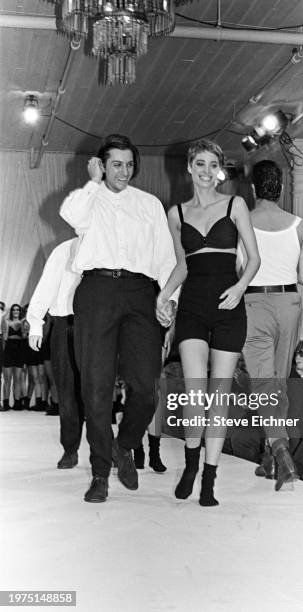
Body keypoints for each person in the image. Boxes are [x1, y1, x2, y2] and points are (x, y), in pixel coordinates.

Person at [60, 133, 177, 503]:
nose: (123, 171)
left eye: (129, 165)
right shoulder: (89, 200)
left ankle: (123, 445)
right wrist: (92, 182)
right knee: (95, 389)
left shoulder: (149, 204)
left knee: (145, 388)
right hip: (96, 292)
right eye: (115, 164)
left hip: (142, 294)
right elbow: (71, 215)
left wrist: (169, 299)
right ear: (101, 165)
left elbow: (166, 259)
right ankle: (99, 474)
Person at [156, 139, 260, 506]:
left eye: (211, 164)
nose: (204, 170)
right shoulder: (177, 214)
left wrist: (240, 287)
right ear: (189, 167)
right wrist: (163, 294)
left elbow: (253, 259)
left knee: (219, 394)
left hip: (229, 304)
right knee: (195, 392)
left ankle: (210, 479)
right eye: (199, 163)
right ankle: (190, 462)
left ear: (219, 169)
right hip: (193, 307)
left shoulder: (235, 204)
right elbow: (183, 265)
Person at [239, 159, 303, 490]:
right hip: (290, 303)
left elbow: (236, 267)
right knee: (278, 382)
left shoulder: (240, 221)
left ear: (253, 188)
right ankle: (271, 457)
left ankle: (281, 450)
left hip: (254, 303)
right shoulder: (299, 223)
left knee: (263, 383)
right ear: (280, 188)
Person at [27, 237, 84, 468]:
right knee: (67, 390)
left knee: (98, 388)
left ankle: (105, 446)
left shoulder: (108, 246)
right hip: (65, 323)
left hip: (98, 326)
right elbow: (47, 284)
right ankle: (70, 448)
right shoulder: (65, 249)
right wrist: (36, 322)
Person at [2, 304, 26, 410]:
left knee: (17, 379)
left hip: (19, 351)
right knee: (7, 379)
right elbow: (5, 338)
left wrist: (23, 325)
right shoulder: (6, 322)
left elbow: (24, 336)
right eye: (14, 310)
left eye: (17, 310)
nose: (16, 311)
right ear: (11, 311)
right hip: (8, 350)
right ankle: (6, 403)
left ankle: (17, 403)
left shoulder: (23, 322)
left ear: (20, 311)